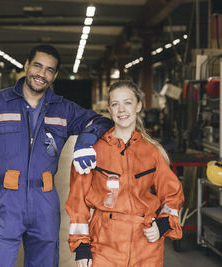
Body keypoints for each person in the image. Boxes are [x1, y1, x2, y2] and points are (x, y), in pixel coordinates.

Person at [0, 44, 113, 267]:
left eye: (49, 70)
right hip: (7, 200)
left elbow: (100, 121)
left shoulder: (63, 109)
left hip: (45, 202)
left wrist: (85, 142)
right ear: (27, 65)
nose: (42, 74)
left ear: (55, 75)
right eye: (37, 66)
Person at [66, 80, 184, 267]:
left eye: (128, 102)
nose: (122, 110)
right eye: (115, 104)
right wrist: (81, 246)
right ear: (109, 110)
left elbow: (172, 194)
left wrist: (163, 224)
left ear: (138, 106)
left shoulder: (152, 151)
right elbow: (77, 201)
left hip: (146, 243)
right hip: (105, 244)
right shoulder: (92, 152)